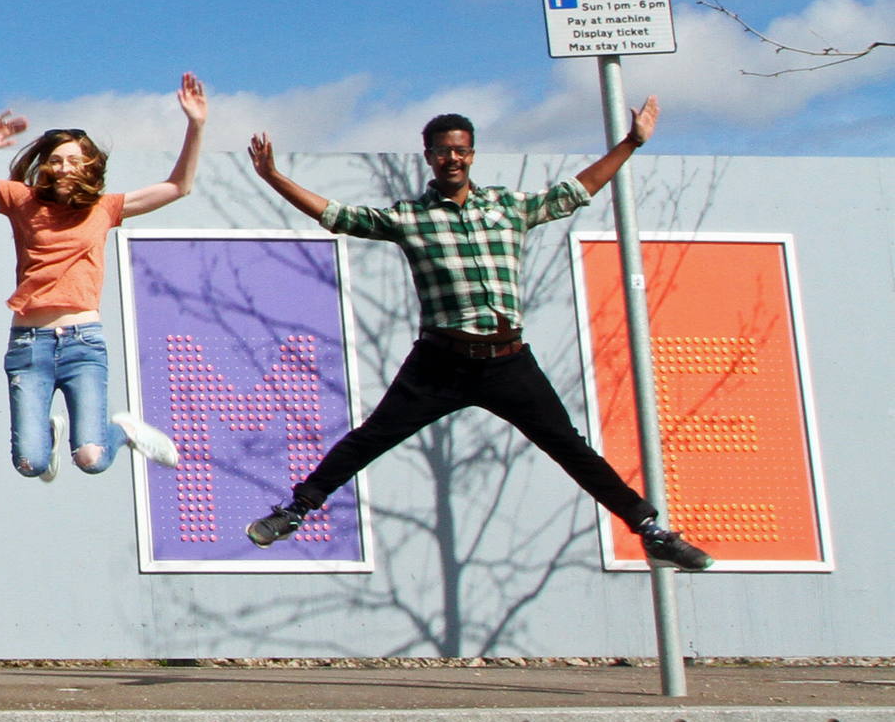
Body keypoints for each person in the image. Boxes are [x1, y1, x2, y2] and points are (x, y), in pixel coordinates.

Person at [243, 106, 711, 570]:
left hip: (508, 361)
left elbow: (577, 190)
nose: (453, 159)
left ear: (472, 155)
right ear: (429, 157)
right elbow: (337, 215)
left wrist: (631, 142)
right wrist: (273, 177)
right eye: (444, 151)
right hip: (440, 363)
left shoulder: (509, 207)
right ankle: (296, 510)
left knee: (571, 447)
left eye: (461, 151)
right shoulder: (410, 217)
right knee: (371, 438)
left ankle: (650, 531)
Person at [0, 78, 206, 481]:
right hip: (29, 347)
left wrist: (196, 125)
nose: (64, 168)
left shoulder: (105, 208)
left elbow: (178, 187)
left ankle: (124, 430)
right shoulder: (21, 200)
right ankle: (47, 433)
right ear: (45, 165)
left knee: (92, 459)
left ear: (90, 167)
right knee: (31, 464)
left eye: (74, 160)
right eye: (57, 160)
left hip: (84, 344)